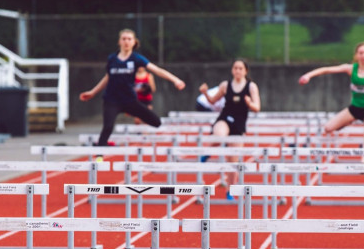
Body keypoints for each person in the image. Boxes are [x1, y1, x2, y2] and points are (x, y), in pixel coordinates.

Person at [80, 29, 185, 147]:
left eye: (129, 39)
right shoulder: (112, 59)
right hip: (112, 100)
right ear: (119, 41)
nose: (126, 42)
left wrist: (175, 80)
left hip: (129, 100)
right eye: (124, 39)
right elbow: (107, 77)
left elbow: (157, 70)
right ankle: (99, 155)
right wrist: (93, 92)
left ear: (134, 42)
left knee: (156, 122)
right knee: (107, 127)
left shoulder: (136, 58)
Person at [299, 42, 364, 164]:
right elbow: (327, 70)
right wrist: (308, 75)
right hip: (355, 108)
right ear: (356, 55)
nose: (363, 56)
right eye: (361, 53)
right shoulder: (350, 69)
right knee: (328, 128)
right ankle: (349, 121)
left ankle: (363, 162)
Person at [198, 59, 261, 199]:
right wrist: (205, 93)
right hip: (225, 118)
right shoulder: (225, 85)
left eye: (240, 68)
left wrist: (249, 103)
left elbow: (257, 107)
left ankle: (230, 190)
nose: (237, 71)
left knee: (233, 161)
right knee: (219, 135)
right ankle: (208, 153)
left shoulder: (251, 87)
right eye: (235, 68)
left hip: (239, 124)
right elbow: (213, 101)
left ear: (245, 71)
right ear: (232, 70)